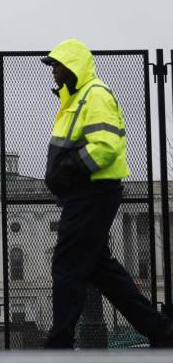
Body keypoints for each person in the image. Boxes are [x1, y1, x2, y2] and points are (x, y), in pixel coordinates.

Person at [42, 39, 173, 348]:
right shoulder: (76, 99)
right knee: (102, 270)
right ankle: (160, 330)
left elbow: (106, 146)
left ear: (73, 66)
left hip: (92, 192)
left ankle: (59, 344)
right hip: (86, 194)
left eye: (57, 65)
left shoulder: (95, 95)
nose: (54, 71)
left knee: (67, 264)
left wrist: (70, 168)